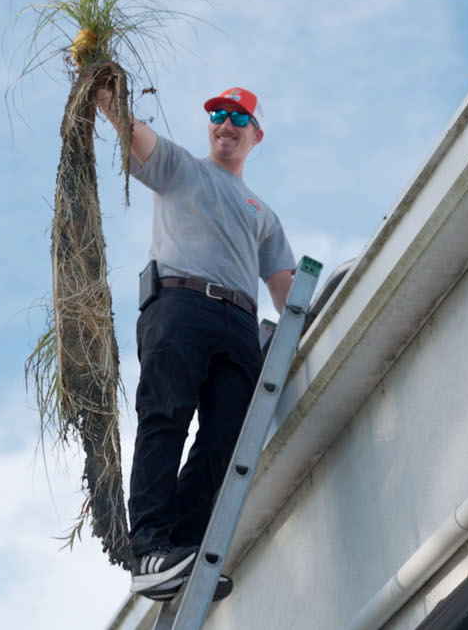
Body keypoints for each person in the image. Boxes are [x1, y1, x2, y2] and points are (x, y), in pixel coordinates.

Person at [94, 85, 295, 602]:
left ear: (256, 134)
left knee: (227, 438)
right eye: (218, 116)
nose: (225, 126)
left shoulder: (262, 213)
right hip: (180, 304)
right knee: (166, 415)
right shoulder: (182, 169)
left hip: (239, 323)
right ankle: (151, 549)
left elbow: (286, 292)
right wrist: (101, 85)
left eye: (237, 119)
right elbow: (134, 134)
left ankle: (182, 550)